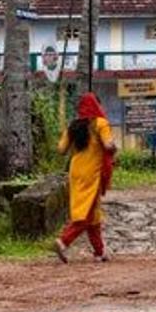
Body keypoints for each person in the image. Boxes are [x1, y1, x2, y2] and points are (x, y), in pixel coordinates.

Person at [55, 92, 117, 263]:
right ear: (97, 105)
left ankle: (99, 251)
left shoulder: (73, 126)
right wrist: (113, 149)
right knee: (87, 213)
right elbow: (108, 145)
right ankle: (63, 241)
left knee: (94, 212)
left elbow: (61, 150)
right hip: (92, 173)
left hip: (75, 171)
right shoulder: (101, 123)